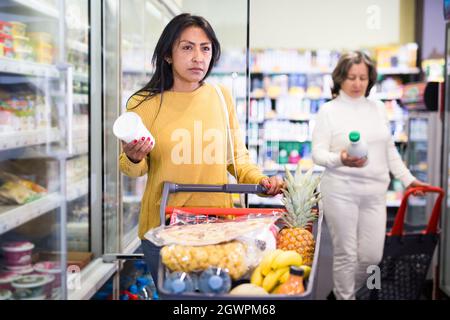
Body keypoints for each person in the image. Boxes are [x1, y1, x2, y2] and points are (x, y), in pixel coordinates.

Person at [119, 13, 283, 283]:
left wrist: (260, 181)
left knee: (214, 295)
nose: (198, 57)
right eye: (187, 47)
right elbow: (131, 169)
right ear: (168, 55)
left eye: (205, 48)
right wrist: (133, 158)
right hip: (162, 229)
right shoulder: (142, 104)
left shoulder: (221, 97)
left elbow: (237, 157)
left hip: (216, 227)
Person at [311, 51, 428, 300]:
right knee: (346, 253)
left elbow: (388, 149)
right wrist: (339, 158)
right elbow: (318, 154)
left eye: (363, 78)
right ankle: (346, 297)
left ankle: (342, 294)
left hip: (375, 193)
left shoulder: (376, 108)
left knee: (372, 257)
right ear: (340, 78)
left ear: (370, 79)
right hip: (340, 191)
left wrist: (408, 179)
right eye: (351, 77)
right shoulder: (329, 111)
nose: (357, 83)